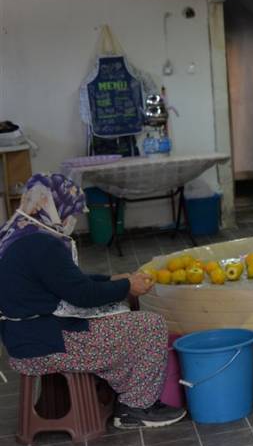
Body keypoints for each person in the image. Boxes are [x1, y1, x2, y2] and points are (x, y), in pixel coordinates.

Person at [0, 173, 185, 429]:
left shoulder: (17, 231)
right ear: (53, 206)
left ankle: (120, 390)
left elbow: (65, 281)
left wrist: (111, 278)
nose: (71, 220)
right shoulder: (42, 243)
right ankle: (136, 407)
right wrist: (126, 286)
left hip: (22, 338)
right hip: (45, 343)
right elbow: (82, 296)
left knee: (119, 312)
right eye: (70, 212)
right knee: (149, 325)